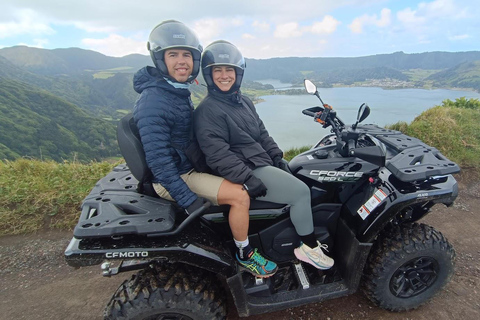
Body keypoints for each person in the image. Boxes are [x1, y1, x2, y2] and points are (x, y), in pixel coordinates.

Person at [132, 20, 278, 278]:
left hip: (184, 168)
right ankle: (245, 254)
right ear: (160, 59)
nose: (181, 61)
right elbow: (159, 161)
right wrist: (188, 200)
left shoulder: (172, 91)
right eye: (173, 54)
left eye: (186, 55)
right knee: (240, 195)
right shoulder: (154, 101)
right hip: (174, 177)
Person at [194, 40, 334, 270]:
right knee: (300, 192)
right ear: (209, 75)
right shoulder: (208, 111)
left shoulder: (243, 101)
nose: (224, 75)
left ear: (238, 74)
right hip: (246, 169)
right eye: (217, 70)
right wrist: (247, 178)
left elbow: (261, 133)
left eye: (229, 70)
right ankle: (309, 247)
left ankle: (291, 229)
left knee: (300, 171)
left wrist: (277, 157)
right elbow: (217, 155)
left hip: (259, 160)